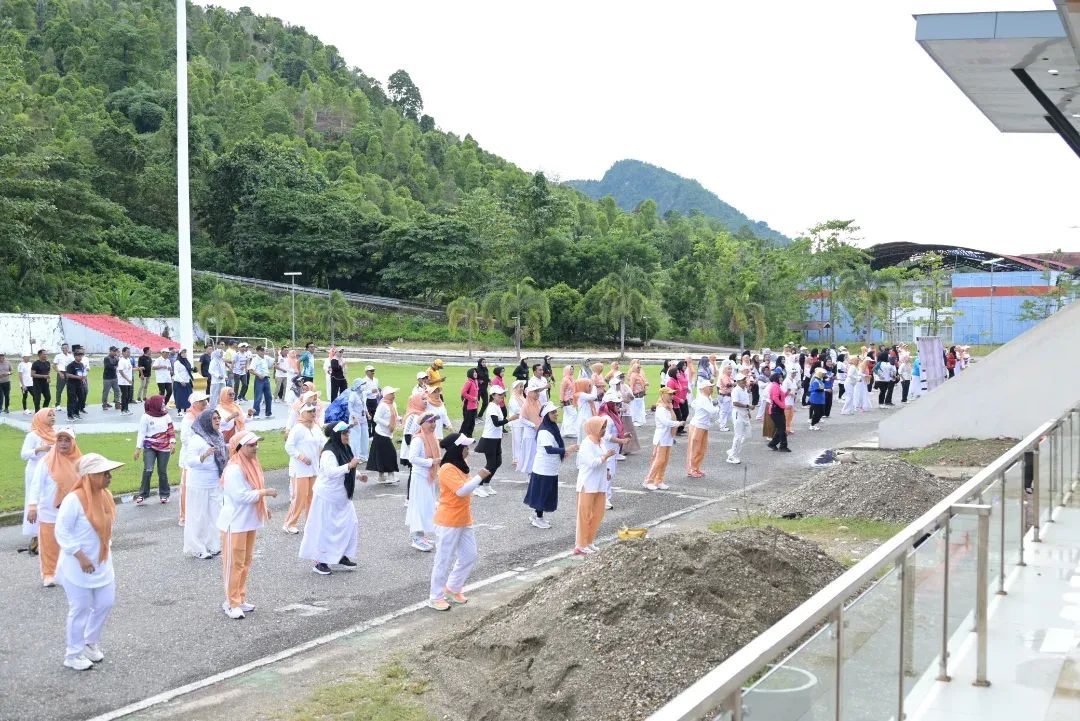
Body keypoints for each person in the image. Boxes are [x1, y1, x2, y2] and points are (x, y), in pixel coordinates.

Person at [54, 453, 123, 670]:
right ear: (90, 476)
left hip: (101, 561)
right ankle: (73, 654)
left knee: (105, 602)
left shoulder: (105, 496)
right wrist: (80, 556)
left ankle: (89, 642)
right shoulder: (73, 500)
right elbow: (62, 531)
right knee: (80, 608)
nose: (109, 477)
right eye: (104, 473)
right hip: (77, 564)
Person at [426, 434, 491, 611]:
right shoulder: (447, 468)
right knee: (443, 559)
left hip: (463, 519)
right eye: (465, 447)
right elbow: (461, 491)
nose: (468, 450)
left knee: (470, 555)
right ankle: (435, 597)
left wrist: (476, 478)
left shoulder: (460, 465)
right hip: (448, 521)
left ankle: (453, 588)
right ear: (457, 449)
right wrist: (479, 477)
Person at [217, 431, 277, 619]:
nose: (255, 448)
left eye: (256, 444)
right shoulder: (234, 469)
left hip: (249, 521)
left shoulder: (252, 464)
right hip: (235, 523)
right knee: (234, 563)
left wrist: (264, 506)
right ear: (239, 448)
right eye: (251, 445)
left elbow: (252, 490)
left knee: (245, 562)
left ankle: (240, 598)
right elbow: (240, 496)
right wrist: (264, 493)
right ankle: (231, 602)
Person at [301, 422, 365, 575]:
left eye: (347, 433)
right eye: (344, 433)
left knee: (349, 524)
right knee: (325, 528)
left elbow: (347, 464)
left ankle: (340, 555)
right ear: (336, 435)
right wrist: (349, 466)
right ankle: (319, 561)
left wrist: (358, 475)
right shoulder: (328, 452)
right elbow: (330, 472)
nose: (347, 435)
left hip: (342, 495)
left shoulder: (345, 448)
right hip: (327, 496)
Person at [29, 426, 83, 586]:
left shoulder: (81, 462)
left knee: (73, 542)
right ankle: (49, 574)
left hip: (73, 511)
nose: (63, 443)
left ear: (73, 442)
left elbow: (87, 486)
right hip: (49, 511)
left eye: (67, 440)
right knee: (49, 544)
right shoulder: (46, 461)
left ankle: (72, 572)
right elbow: (36, 484)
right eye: (60, 440)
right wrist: (32, 506)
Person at [180, 408, 226, 559]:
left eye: (218, 418)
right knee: (198, 516)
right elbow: (189, 461)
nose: (218, 421)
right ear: (206, 421)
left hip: (214, 482)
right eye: (214, 419)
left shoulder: (218, 435)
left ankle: (213, 545)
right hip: (198, 483)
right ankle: (197, 548)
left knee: (216, 514)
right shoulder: (197, 439)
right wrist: (204, 455)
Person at [526, 402, 572, 528]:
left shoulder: (551, 426)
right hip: (544, 468)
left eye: (556, 412)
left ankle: (536, 515)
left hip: (549, 467)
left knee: (543, 492)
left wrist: (563, 452)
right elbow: (549, 449)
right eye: (553, 412)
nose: (556, 414)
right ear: (547, 415)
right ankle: (538, 518)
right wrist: (566, 450)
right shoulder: (544, 431)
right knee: (543, 493)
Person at [574, 417, 615, 556]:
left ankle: (589, 541)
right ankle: (580, 545)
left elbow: (602, 461)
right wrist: (606, 456)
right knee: (585, 515)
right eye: (602, 427)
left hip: (600, 483)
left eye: (604, 427)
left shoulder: (601, 442)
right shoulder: (586, 444)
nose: (604, 430)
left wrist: (607, 470)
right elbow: (591, 463)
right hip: (588, 484)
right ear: (594, 428)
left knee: (598, 514)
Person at [282, 404, 321, 534]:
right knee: (299, 497)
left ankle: (310, 523)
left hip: (314, 468)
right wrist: (302, 457)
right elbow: (289, 446)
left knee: (312, 496)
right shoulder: (297, 428)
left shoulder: (316, 428)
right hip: (300, 469)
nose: (313, 413)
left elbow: (323, 443)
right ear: (303, 413)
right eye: (310, 411)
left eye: (314, 411)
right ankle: (289, 523)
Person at [21, 409, 55, 550]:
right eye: (49, 415)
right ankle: (36, 534)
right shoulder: (33, 435)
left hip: (51, 472)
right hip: (34, 472)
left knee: (48, 500)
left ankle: (49, 531)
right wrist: (40, 449)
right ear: (41, 418)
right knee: (34, 501)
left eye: (53, 415)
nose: (53, 418)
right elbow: (24, 454)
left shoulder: (55, 433)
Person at [406, 413, 441, 551]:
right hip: (420, 476)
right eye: (430, 422)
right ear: (423, 424)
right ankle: (416, 537)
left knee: (427, 505)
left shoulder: (432, 437)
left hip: (428, 476)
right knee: (418, 506)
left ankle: (422, 535)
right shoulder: (418, 439)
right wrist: (431, 462)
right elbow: (412, 458)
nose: (433, 424)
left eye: (434, 422)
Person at [134, 396, 175, 505]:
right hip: (149, 446)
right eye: (162, 403)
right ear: (155, 404)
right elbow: (141, 433)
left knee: (162, 471)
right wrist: (138, 448)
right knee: (148, 469)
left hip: (164, 447)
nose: (163, 405)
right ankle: (143, 494)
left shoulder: (166, 415)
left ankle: (164, 494)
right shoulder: (146, 417)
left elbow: (171, 430)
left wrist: (172, 442)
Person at [177, 390, 209, 527]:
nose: (205, 403)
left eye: (205, 400)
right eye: (202, 401)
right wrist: (199, 447)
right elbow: (185, 439)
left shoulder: (204, 416)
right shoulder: (189, 418)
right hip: (189, 459)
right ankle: (184, 517)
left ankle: (199, 515)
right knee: (187, 488)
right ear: (195, 404)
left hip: (203, 457)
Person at [474, 388, 514, 498]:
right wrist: (510, 419)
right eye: (499, 394)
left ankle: (486, 484)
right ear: (493, 395)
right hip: (489, 439)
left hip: (496, 438)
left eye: (502, 394)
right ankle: (478, 486)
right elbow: (496, 423)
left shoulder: (497, 406)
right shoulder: (492, 407)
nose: (502, 396)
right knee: (491, 463)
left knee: (498, 462)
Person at [645, 387, 682, 490]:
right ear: (663, 395)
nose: (672, 396)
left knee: (664, 461)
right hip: (661, 438)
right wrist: (678, 423)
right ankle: (648, 481)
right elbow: (665, 422)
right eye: (669, 394)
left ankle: (659, 480)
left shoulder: (669, 407)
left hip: (668, 437)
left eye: (672, 394)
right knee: (658, 460)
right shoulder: (661, 408)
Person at [686, 379, 721, 478]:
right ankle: (692, 469)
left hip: (703, 426)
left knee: (702, 449)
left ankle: (696, 468)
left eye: (712, 387)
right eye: (710, 387)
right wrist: (718, 408)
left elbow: (693, 404)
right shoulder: (703, 399)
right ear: (704, 388)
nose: (712, 388)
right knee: (695, 449)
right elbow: (712, 411)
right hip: (697, 426)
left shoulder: (706, 398)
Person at [367, 386, 401, 484]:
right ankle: (391, 475)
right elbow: (376, 418)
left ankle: (381, 477)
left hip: (388, 433)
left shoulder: (393, 404)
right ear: (386, 395)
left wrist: (399, 419)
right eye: (392, 394)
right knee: (391, 453)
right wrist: (387, 424)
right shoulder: (382, 405)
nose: (394, 395)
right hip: (381, 433)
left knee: (381, 455)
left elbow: (394, 415)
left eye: (394, 393)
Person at [518, 379, 544, 479]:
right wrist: (533, 425)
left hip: (539, 432)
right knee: (530, 454)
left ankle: (536, 473)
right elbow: (522, 419)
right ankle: (530, 474)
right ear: (530, 393)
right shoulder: (526, 405)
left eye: (538, 391)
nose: (538, 393)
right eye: (535, 392)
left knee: (538, 453)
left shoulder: (538, 402)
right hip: (530, 434)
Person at [727, 373, 752, 464]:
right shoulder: (735, 390)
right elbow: (735, 403)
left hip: (744, 414)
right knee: (738, 436)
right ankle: (731, 457)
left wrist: (748, 411)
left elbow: (746, 401)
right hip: (738, 414)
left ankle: (732, 450)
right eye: (742, 380)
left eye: (745, 379)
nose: (744, 381)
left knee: (747, 435)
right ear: (738, 381)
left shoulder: (744, 389)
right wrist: (747, 406)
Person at [346, 378, 370, 463]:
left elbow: (364, 405)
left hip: (363, 418)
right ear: (358, 385)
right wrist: (353, 417)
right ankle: (355, 457)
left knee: (365, 437)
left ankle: (364, 456)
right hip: (355, 419)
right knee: (355, 438)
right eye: (362, 384)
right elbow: (350, 407)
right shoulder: (353, 395)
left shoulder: (362, 394)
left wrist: (367, 414)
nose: (363, 386)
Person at [767, 371, 790, 452]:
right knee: (781, 428)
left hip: (778, 409)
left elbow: (781, 396)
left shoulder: (777, 386)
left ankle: (772, 444)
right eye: (780, 377)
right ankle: (783, 446)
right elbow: (775, 398)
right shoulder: (775, 386)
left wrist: (787, 393)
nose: (781, 378)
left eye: (782, 377)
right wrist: (783, 406)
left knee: (781, 428)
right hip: (775, 410)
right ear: (776, 378)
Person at [64, 350, 89, 421]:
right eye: (79, 356)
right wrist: (77, 377)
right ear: (75, 356)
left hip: (80, 384)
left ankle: (76, 412)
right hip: (72, 384)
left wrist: (84, 378)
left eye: (81, 356)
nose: (80, 357)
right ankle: (70, 415)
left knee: (81, 398)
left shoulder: (81, 364)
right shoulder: (71, 365)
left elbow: (83, 373)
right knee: (71, 399)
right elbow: (68, 375)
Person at [249, 346, 273, 419]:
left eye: (263, 350)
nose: (263, 352)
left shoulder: (265, 358)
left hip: (266, 378)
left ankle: (268, 413)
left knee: (269, 396)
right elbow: (250, 370)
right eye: (261, 351)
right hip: (259, 379)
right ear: (257, 351)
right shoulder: (255, 359)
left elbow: (271, 365)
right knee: (258, 397)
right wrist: (259, 375)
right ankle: (255, 414)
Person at [508, 379, 526, 470]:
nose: (522, 388)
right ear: (515, 388)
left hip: (523, 422)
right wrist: (526, 412)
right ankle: (516, 458)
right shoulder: (513, 398)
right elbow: (516, 410)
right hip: (516, 423)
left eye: (522, 386)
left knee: (522, 440)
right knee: (517, 440)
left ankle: (521, 457)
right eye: (520, 387)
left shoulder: (522, 397)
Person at [172, 349, 195, 418]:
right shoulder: (177, 362)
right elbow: (176, 373)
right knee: (179, 397)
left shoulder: (186, 361)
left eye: (185, 352)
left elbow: (188, 370)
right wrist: (181, 381)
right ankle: (179, 412)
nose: (185, 354)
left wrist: (193, 369)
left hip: (187, 381)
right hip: (179, 382)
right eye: (183, 353)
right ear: (180, 354)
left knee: (188, 397)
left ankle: (185, 411)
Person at [53, 344, 74, 412]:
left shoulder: (71, 356)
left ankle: (71, 404)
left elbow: (73, 364)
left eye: (66, 348)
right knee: (59, 389)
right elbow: (54, 366)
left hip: (69, 373)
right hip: (61, 373)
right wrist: (60, 373)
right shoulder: (58, 356)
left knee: (71, 389)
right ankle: (57, 405)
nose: (65, 349)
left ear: (68, 348)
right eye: (63, 348)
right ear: (61, 349)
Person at [459, 368, 480, 437]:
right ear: (470, 373)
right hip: (468, 406)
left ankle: (469, 436)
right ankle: (461, 436)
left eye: (476, 372)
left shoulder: (475, 382)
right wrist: (473, 398)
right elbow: (463, 393)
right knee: (466, 422)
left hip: (474, 406)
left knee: (472, 422)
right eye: (474, 372)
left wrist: (476, 400)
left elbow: (475, 393)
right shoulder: (469, 382)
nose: (475, 373)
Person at [559, 365, 578, 437]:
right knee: (573, 414)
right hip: (567, 400)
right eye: (571, 369)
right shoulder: (565, 379)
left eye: (573, 369)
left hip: (572, 399)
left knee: (567, 415)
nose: (572, 371)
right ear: (567, 370)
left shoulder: (571, 378)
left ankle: (565, 432)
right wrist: (561, 401)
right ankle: (570, 432)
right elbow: (562, 390)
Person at [628, 360, 648, 427]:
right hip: (636, 394)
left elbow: (643, 382)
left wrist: (645, 385)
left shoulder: (639, 375)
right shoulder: (633, 375)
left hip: (641, 393)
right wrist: (631, 394)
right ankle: (634, 420)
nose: (639, 369)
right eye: (638, 368)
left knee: (640, 407)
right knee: (634, 408)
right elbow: (631, 385)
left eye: (640, 367)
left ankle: (639, 420)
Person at [362, 365, 380, 437]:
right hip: (367, 400)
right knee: (368, 417)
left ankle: (374, 433)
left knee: (375, 417)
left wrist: (377, 393)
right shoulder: (364, 381)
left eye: (373, 371)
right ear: (366, 372)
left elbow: (377, 389)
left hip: (374, 400)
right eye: (371, 371)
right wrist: (371, 391)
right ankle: (368, 433)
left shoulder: (376, 380)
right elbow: (362, 392)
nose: (373, 372)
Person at [782, 366, 800, 435]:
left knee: (790, 416)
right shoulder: (786, 381)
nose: (794, 374)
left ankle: (788, 429)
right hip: (787, 400)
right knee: (786, 415)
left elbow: (794, 389)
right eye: (793, 373)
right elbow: (784, 391)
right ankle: (785, 429)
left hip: (792, 401)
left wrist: (795, 393)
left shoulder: (794, 381)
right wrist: (791, 394)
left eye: (795, 373)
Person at [116, 347, 134, 416]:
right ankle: (123, 410)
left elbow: (129, 369)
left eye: (129, 352)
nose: (129, 353)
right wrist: (127, 379)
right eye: (127, 352)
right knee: (124, 396)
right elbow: (121, 371)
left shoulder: (128, 360)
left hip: (128, 381)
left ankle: (126, 409)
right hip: (123, 382)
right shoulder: (121, 361)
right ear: (123, 353)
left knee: (128, 396)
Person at [100, 347, 120, 411]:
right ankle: (104, 404)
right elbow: (109, 366)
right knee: (106, 392)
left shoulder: (116, 358)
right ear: (110, 351)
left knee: (117, 391)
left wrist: (115, 365)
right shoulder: (106, 358)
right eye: (114, 351)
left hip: (114, 377)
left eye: (115, 351)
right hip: (107, 378)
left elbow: (118, 365)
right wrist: (115, 366)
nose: (115, 352)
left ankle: (117, 404)